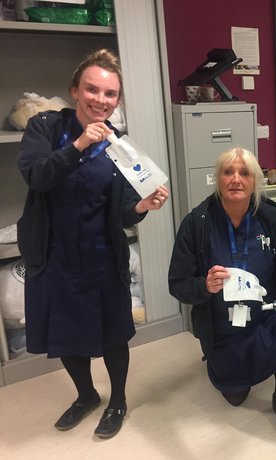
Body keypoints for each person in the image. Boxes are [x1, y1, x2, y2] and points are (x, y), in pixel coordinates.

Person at [17, 49, 169, 439]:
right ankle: (86, 394)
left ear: (117, 100)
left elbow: (122, 213)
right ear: (74, 90)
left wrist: (143, 205)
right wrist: (80, 144)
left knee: (114, 333)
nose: (101, 100)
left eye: (110, 94)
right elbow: (37, 175)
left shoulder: (120, 146)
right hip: (55, 254)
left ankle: (117, 400)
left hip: (102, 254)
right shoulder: (46, 128)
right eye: (92, 90)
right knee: (66, 333)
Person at [168, 147, 276, 438]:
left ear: (254, 182)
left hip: (268, 311)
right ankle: (220, 359)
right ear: (217, 179)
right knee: (236, 398)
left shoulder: (272, 218)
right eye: (228, 172)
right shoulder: (196, 224)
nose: (236, 179)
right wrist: (204, 285)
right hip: (222, 322)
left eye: (244, 173)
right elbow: (178, 283)